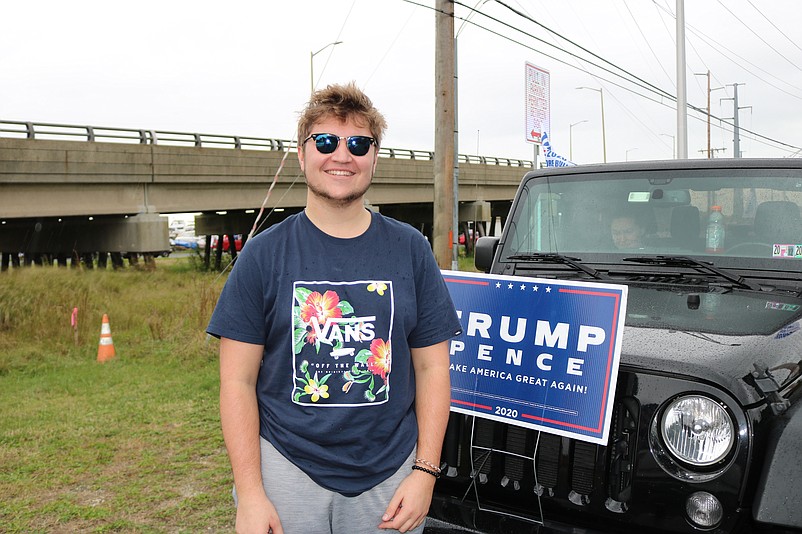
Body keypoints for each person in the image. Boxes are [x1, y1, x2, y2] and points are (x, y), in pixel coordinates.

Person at [207, 82, 462, 534]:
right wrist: (249, 493)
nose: (342, 155)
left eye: (359, 143)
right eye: (326, 141)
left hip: (389, 475)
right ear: (302, 154)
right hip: (287, 469)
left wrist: (424, 472)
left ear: (374, 157)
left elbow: (432, 370)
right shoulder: (263, 255)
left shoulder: (411, 249)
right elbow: (237, 381)